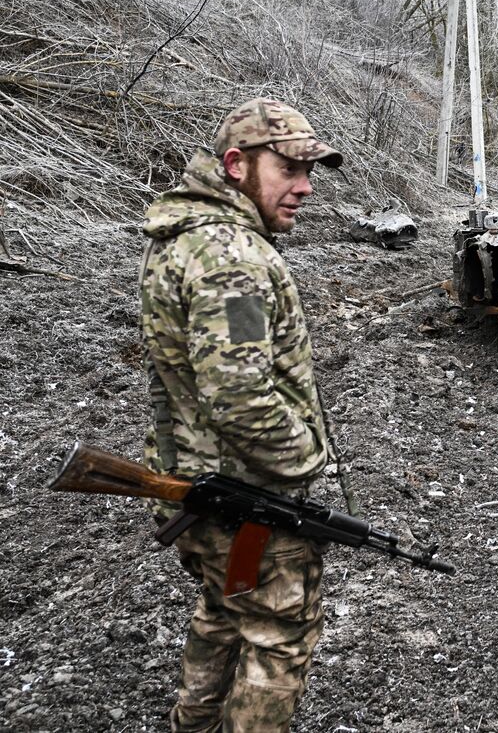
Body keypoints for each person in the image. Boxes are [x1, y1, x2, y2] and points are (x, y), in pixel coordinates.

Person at [140, 97, 342, 732]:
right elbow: (240, 396)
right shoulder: (232, 258)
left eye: (309, 172)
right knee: (278, 634)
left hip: (203, 487)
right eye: (289, 170)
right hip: (242, 495)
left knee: (225, 609)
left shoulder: (188, 238)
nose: (305, 188)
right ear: (236, 164)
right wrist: (306, 458)